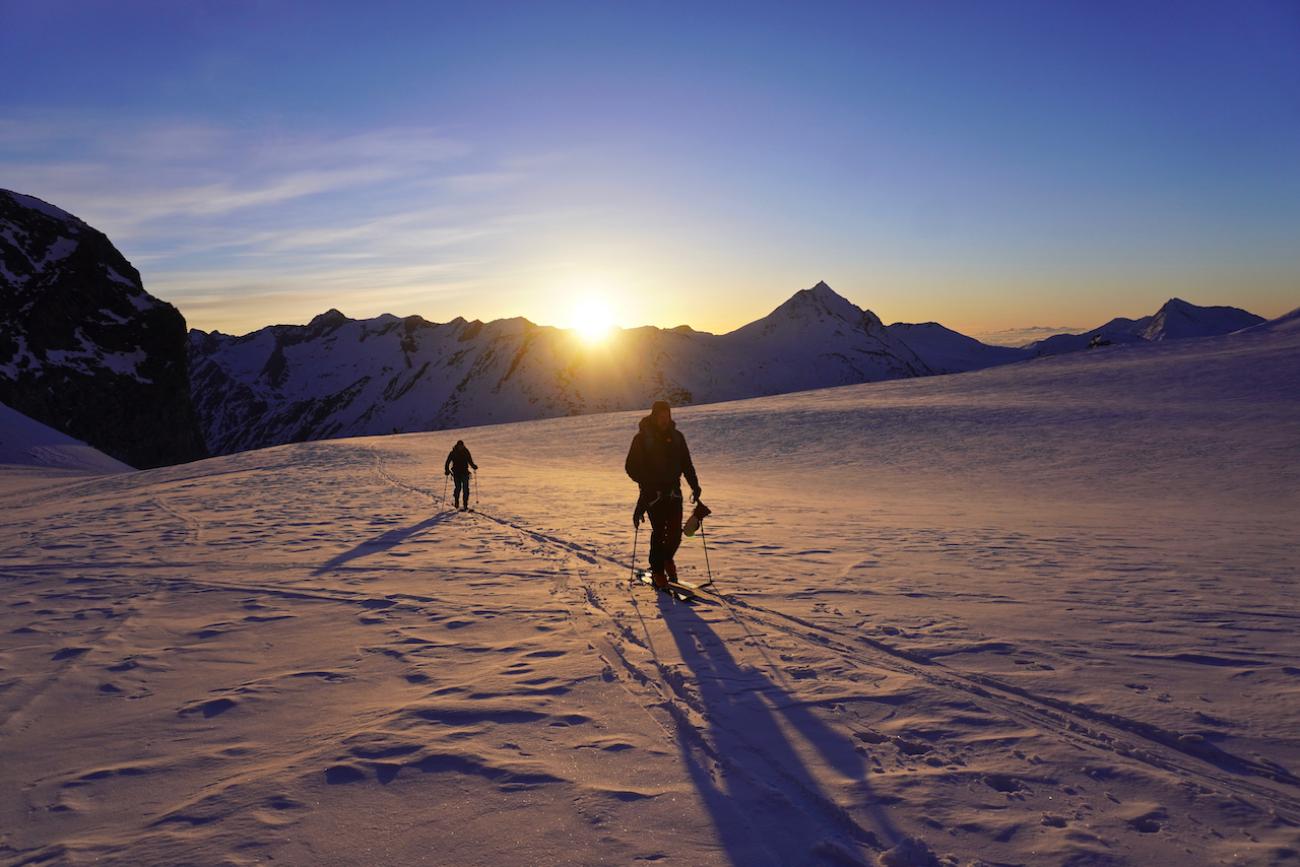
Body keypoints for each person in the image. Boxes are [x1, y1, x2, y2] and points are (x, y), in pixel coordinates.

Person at [625, 400, 701, 590]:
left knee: (675, 533)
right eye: (660, 416)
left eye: (667, 415)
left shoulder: (677, 437)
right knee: (659, 531)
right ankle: (657, 570)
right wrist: (647, 481)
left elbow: (686, 464)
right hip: (652, 493)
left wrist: (695, 486)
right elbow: (631, 467)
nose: (664, 419)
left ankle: (667, 559)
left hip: (674, 491)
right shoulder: (642, 439)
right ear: (654, 416)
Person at [444, 440, 478, 511]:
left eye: (461, 446)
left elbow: (470, 461)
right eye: (459, 446)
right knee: (458, 488)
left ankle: (465, 505)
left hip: (465, 472)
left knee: (466, 489)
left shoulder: (466, 452)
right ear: (457, 445)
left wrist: (473, 466)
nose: (460, 447)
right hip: (456, 473)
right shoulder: (453, 453)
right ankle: (456, 502)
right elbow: (447, 462)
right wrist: (447, 470)